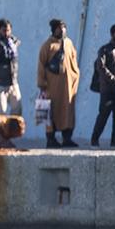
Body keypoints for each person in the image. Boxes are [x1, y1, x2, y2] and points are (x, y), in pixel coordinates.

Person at [37, 19, 80, 148]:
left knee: (68, 111)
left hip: (68, 87)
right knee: (51, 111)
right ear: (53, 30)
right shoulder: (47, 45)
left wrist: (75, 76)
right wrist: (42, 84)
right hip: (52, 87)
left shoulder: (69, 43)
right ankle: (51, 139)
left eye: (63, 27)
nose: (62, 30)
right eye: (59, 28)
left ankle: (67, 138)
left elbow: (73, 62)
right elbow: (41, 66)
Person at [90, 24, 115, 148]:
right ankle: (94, 140)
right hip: (108, 90)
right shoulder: (105, 50)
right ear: (112, 34)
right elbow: (101, 67)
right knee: (103, 115)